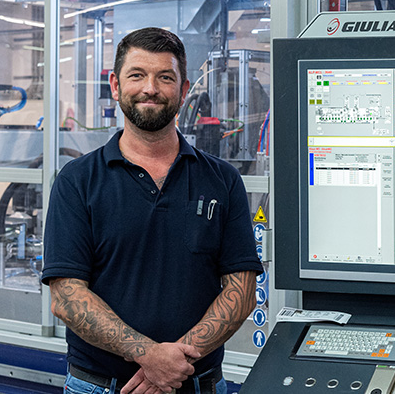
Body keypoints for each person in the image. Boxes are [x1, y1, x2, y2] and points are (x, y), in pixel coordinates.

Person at [42, 27, 263, 394]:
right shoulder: (77, 180)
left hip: (198, 385)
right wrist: (149, 356)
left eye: (165, 77)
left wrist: (172, 365)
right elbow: (66, 296)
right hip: (101, 386)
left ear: (184, 89)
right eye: (137, 75)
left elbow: (242, 291)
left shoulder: (222, 180)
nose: (150, 88)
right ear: (115, 86)